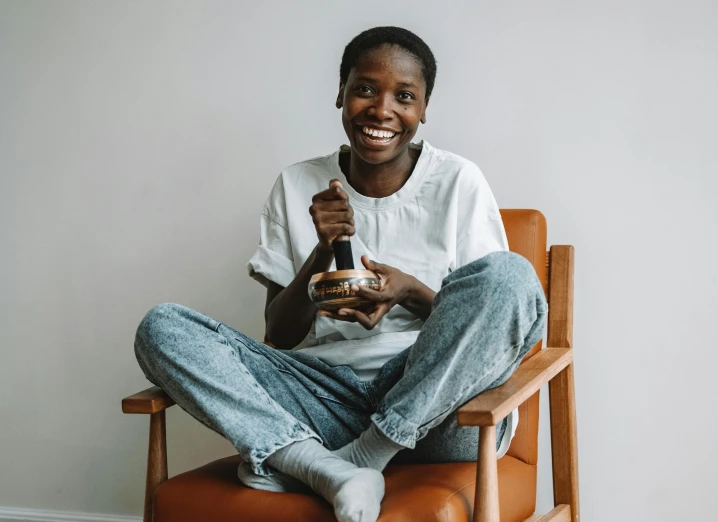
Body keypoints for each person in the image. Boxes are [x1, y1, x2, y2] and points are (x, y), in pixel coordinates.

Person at [134, 26, 547, 522]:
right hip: (322, 399)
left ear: (424, 108)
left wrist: (408, 291)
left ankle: (361, 458)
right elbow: (280, 338)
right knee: (162, 328)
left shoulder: (458, 181)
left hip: (437, 413)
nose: (382, 110)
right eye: (366, 89)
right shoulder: (296, 183)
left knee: (509, 276)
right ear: (341, 93)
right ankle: (326, 469)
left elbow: (494, 327)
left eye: (405, 96)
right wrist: (322, 255)